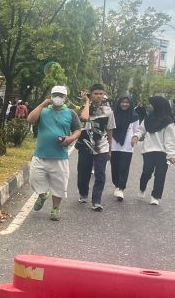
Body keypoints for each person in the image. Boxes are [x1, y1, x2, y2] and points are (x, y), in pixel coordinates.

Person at [26, 85, 82, 221]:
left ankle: (55, 208)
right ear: (51, 96)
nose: (58, 97)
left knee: (59, 184)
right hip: (40, 155)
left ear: (65, 98)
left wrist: (70, 138)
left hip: (60, 157)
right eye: (55, 94)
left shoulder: (70, 113)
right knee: (34, 179)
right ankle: (42, 195)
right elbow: (30, 120)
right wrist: (42, 104)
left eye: (61, 95)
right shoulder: (43, 111)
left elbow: (78, 129)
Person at [76, 84, 116, 211]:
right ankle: (83, 193)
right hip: (85, 145)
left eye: (101, 93)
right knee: (83, 173)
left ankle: (96, 201)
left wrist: (110, 149)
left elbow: (110, 130)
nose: (99, 96)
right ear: (91, 94)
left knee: (100, 175)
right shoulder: (83, 108)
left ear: (104, 95)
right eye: (96, 93)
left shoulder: (108, 111)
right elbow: (84, 118)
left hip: (101, 147)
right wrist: (87, 102)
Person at [131, 96, 175, 206]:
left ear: (158, 105)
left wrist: (171, 155)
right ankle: (142, 188)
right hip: (149, 151)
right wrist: (136, 136)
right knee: (147, 172)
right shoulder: (148, 118)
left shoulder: (168, 121)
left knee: (160, 175)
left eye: (152, 104)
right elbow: (141, 130)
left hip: (162, 152)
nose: (149, 106)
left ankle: (155, 196)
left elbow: (170, 140)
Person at [110, 95, 138, 201]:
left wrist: (135, 138)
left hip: (127, 145)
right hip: (114, 144)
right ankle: (116, 185)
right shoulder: (113, 114)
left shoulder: (134, 116)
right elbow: (109, 128)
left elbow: (136, 131)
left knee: (124, 167)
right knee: (115, 166)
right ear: (119, 103)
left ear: (130, 104)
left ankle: (121, 189)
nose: (125, 104)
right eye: (123, 102)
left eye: (127, 102)